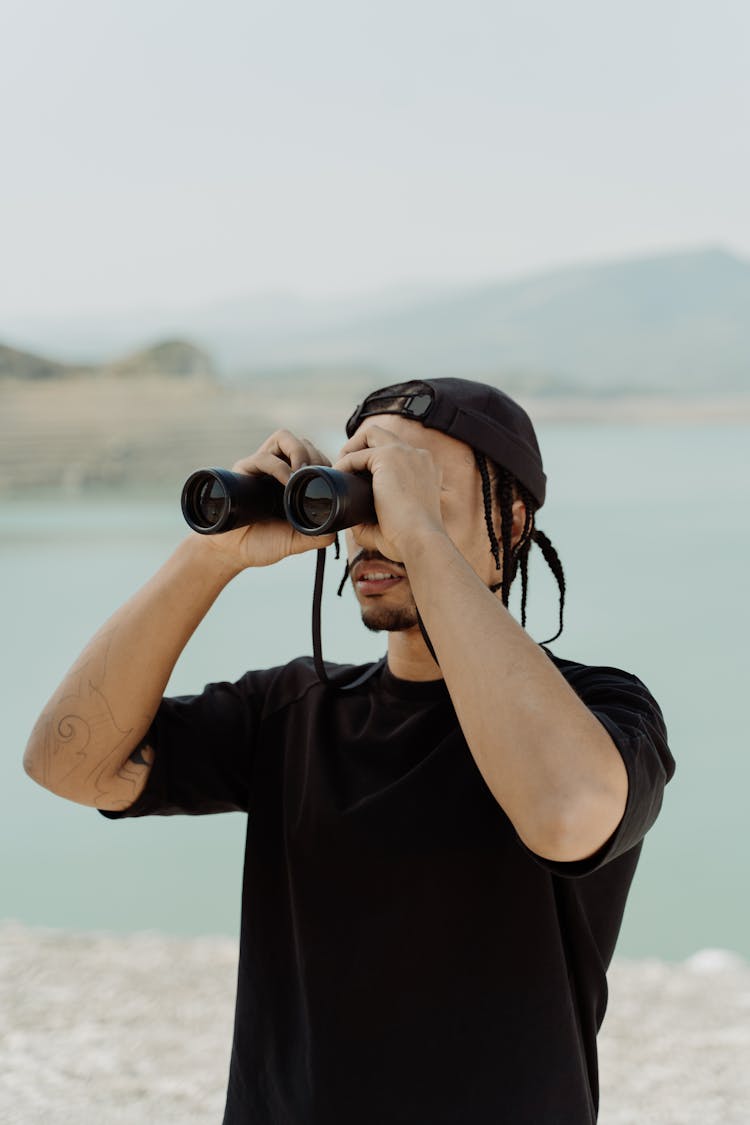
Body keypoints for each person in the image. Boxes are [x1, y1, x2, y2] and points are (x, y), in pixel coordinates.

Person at [24, 377, 674, 1124]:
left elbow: (566, 814)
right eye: (361, 489)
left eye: (409, 488)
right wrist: (207, 558)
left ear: (514, 519)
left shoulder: (601, 711)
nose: (377, 525)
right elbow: (65, 763)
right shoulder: (292, 709)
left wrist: (420, 536)